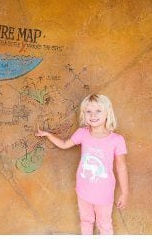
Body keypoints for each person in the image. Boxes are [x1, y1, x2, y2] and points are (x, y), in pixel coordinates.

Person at [36, 94, 128, 235]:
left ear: (107, 113)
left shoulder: (116, 140)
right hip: (83, 191)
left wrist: (125, 192)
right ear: (83, 114)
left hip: (104, 193)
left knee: (104, 224)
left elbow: (121, 166)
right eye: (88, 111)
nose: (93, 115)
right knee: (86, 220)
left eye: (98, 111)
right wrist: (48, 135)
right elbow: (65, 144)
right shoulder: (82, 133)